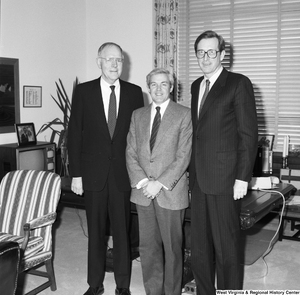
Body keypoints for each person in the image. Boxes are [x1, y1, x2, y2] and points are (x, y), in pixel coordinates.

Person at [67, 42, 144, 295]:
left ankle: (123, 286)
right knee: (96, 232)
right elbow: (74, 135)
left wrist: (140, 174)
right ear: (99, 61)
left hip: (123, 175)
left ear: (124, 63)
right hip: (93, 174)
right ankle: (94, 284)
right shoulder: (84, 92)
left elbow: (139, 137)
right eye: (109, 59)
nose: (114, 64)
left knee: (123, 233)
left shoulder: (135, 93)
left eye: (119, 60)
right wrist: (76, 174)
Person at [188, 30, 258, 293]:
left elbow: (248, 135)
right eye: (200, 52)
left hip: (226, 180)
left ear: (222, 54)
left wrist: (242, 177)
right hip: (199, 180)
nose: (205, 57)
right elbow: (199, 133)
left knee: (226, 249)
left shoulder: (238, 83)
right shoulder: (196, 86)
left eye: (211, 52)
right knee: (200, 249)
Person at [126, 68, 192, 295]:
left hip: (170, 193)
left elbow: (183, 156)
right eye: (153, 84)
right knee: (148, 248)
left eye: (164, 84)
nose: (158, 89)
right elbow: (131, 152)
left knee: (173, 248)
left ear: (172, 87)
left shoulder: (184, 114)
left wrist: (159, 183)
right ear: (148, 87)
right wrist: (144, 182)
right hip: (143, 192)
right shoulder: (138, 115)